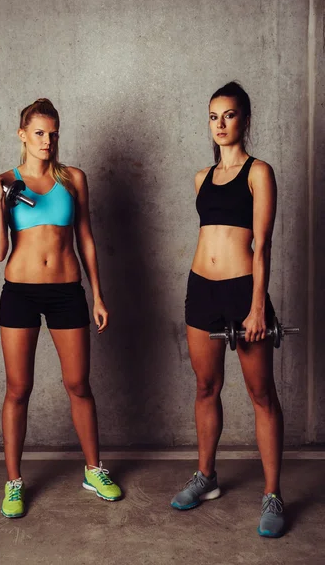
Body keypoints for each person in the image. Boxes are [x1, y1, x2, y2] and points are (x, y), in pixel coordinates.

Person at [0, 98, 122, 518]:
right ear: (22, 134)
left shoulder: (74, 178)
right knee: (18, 389)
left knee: (79, 384)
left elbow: (87, 240)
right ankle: (13, 483)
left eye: (53, 133)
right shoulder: (5, 182)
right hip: (20, 292)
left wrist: (97, 294)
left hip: (67, 292)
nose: (47, 141)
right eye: (39, 133)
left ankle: (94, 469)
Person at [170, 82, 285, 538]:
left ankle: (273, 494)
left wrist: (257, 308)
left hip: (242, 292)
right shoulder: (201, 177)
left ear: (246, 120)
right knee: (205, 386)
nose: (220, 124)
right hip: (201, 290)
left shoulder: (259, 173)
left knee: (261, 396)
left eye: (230, 115)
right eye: (214, 116)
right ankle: (207, 477)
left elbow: (262, 245)